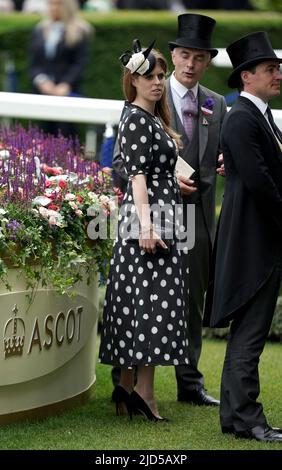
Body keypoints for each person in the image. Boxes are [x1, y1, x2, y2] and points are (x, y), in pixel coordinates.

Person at [112, 14, 227, 406]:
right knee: (142, 297)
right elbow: (121, 164)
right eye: (184, 55)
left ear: (207, 61)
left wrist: (226, 159)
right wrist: (164, 183)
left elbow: (217, 155)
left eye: (199, 57)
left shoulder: (218, 103)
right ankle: (125, 382)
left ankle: (189, 382)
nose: (190, 64)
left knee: (189, 300)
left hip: (196, 217)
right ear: (173, 56)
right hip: (153, 215)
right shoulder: (145, 101)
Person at [99, 40, 189, 421]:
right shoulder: (136, 117)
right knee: (153, 306)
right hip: (147, 221)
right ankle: (144, 395)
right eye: (149, 76)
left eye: (160, 75)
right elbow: (136, 177)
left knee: (146, 305)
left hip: (162, 215)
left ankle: (128, 389)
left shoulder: (153, 118)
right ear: (132, 81)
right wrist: (147, 227)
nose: (157, 82)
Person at [204, 31, 282, 442]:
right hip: (254, 244)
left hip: (260, 240)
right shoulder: (243, 118)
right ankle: (249, 420)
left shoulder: (258, 117)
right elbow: (261, 183)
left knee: (246, 335)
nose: (278, 75)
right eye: (271, 69)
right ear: (246, 77)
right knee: (250, 336)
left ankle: (236, 418)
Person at [28, 0, 93, 137]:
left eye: (58, 4)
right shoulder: (40, 29)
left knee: (65, 135)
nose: (53, 8)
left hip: (67, 93)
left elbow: (80, 63)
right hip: (43, 93)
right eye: (51, 4)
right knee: (43, 135)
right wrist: (42, 81)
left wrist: (66, 84)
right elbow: (34, 63)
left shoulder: (80, 30)